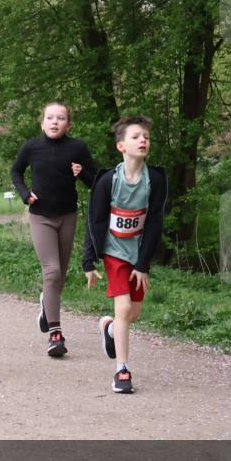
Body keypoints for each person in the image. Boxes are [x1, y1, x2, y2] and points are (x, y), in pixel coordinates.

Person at [82, 115, 167, 394]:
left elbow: (154, 222)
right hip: (114, 251)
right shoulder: (108, 180)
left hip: (138, 252)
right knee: (123, 308)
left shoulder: (155, 179)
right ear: (121, 146)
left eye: (146, 137)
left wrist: (143, 264)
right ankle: (122, 369)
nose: (143, 140)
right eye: (136, 136)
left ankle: (109, 329)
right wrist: (88, 259)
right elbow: (94, 220)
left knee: (133, 313)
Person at [11, 102, 97, 357]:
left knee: (60, 276)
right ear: (42, 123)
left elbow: (96, 182)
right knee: (52, 272)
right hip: (41, 217)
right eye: (50, 117)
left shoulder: (78, 147)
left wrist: (82, 173)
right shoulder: (32, 147)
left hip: (67, 216)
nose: (54, 122)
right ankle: (55, 334)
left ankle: (46, 305)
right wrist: (25, 194)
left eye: (60, 118)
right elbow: (16, 171)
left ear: (68, 125)